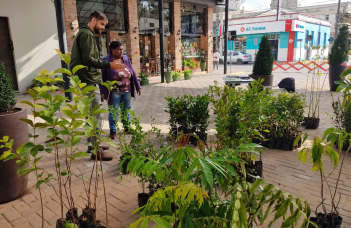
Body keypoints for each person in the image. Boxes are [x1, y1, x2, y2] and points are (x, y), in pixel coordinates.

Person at [71, 11, 123, 161]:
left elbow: (89, 59)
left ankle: (92, 144)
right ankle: (96, 150)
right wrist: (109, 64)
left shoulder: (85, 34)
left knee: (91, 115)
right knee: (95, 115)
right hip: (87, 80)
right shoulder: (86, 34)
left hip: (86, 79)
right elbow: (88, 60)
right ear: (93, 20)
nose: (102, 28)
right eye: (101, 24)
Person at [100, 41, 141, 139]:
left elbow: (133, 72)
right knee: (113, 111)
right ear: (112, 50)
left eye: (122, 49)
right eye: (118, 49)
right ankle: (113, 130)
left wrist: (138, 86)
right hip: (114, 91)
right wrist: (102, 91)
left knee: (126, 110)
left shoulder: (125, 58)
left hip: (127, 90)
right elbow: (102, 77)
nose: (121, 51)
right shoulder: (106, 61)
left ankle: (126, 127)